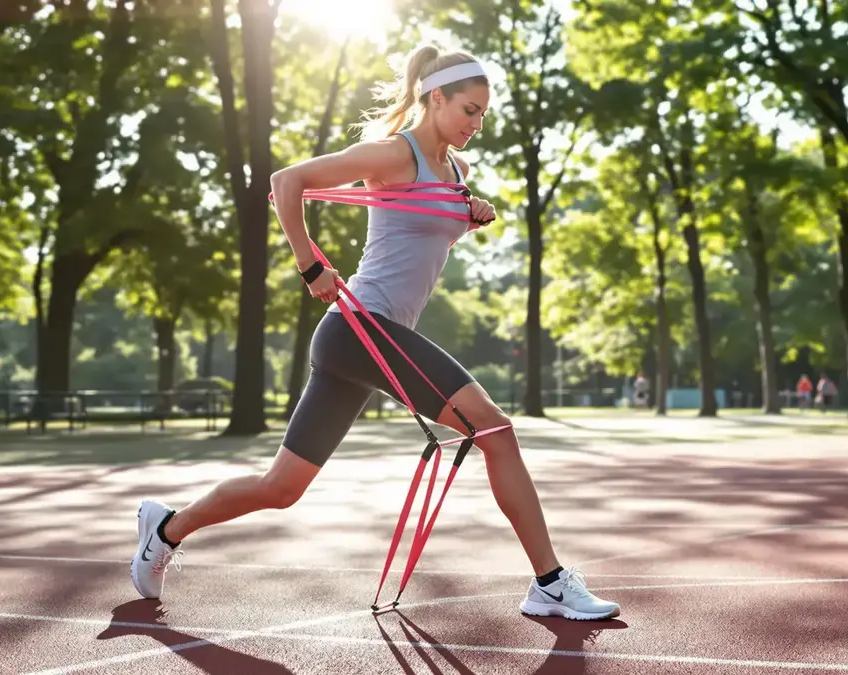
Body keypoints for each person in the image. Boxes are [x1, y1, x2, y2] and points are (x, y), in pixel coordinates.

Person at [128, 43, 621, 622]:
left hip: (362, 339)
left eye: (483, 113)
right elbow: (287, 182)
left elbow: (419, 244)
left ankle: (166, 528)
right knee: (495, 429)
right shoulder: (393, 155)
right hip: (362, 327)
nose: (477, 123)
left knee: (281, 487)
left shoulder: (455, 174)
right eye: (468, 109)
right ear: (435, 98)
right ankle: (550, 582)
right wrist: (311, 264)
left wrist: (468, 216)